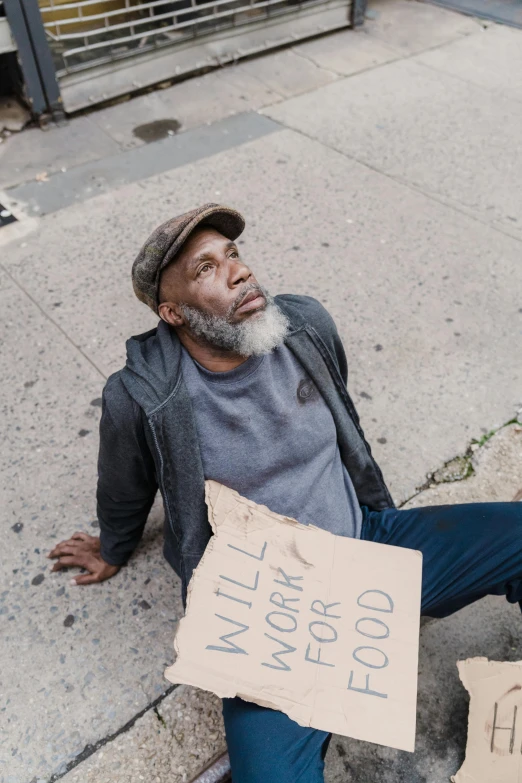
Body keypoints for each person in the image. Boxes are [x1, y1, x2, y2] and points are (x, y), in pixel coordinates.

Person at [48, 203, 522, 783]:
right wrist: (113, 548)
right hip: (268, 619)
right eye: (206, 269)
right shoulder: (141, 397)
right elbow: (123, 485)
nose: (239, 272)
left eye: (234, 255)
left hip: (368, 550)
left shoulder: (305, 327)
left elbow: (342, 419)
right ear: (172, 312)